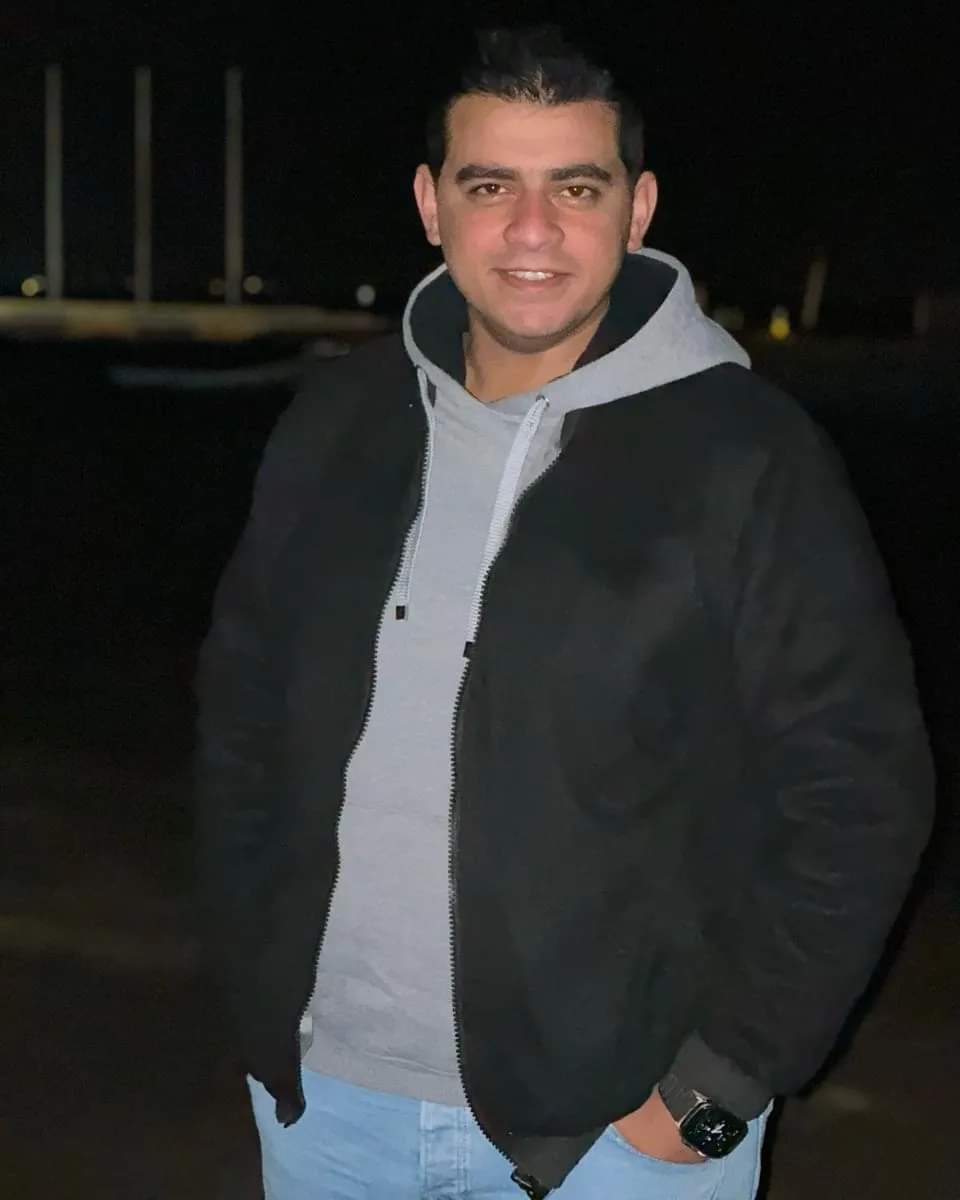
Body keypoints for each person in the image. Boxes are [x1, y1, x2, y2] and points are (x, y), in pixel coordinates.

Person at [195, 25, 934, 1200]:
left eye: (576, 188)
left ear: (638, 209)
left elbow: (860, 792)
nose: (531, 230)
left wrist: (714, 1089)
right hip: (326, 1105)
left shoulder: (747, 456)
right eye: (491, 185)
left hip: (613, 1138)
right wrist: (254, 985)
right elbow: (242, 714)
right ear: (432, 204)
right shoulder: (338, 422)